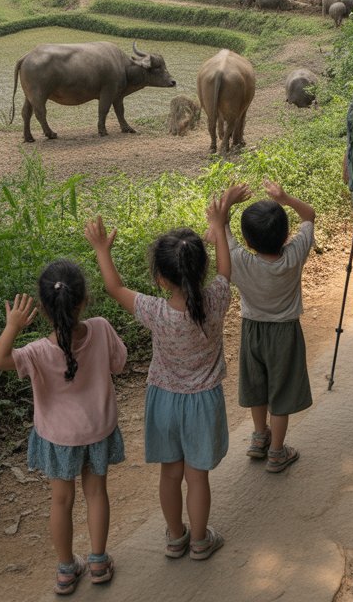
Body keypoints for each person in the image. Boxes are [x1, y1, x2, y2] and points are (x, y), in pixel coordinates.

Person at [83, 187, 247, 562]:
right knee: (197, 477)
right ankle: (201, 541)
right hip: (203, 402)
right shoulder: (217, 299)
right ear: (200, 270)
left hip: (165, 402)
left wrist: (102, 251)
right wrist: (219, 225)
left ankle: (176, 537)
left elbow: (114, 287)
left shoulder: (155, 311)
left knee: (170, 475)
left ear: (160, 278)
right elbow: (226, 269)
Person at [0, 260, 126, 595]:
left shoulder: (36, 352)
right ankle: (97, 561)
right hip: (97, 430)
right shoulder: (102, 328)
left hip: (58, 437)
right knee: (96, 494)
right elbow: (119, 365)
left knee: (61, 501)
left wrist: (13, 327)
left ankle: (66, 570)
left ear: (45, 310)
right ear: (83, 300)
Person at [222, 178, 315, 473]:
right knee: (283, 391)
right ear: (287, 235)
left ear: (247, 241)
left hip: (252, 329)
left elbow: (219, 230)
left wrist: (226, 204)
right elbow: (309, 216)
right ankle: (277, 452)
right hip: (285, 332)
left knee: (258, 385)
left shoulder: (238, 260)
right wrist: (285, 197)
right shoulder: (295, 254)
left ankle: (259, 436)